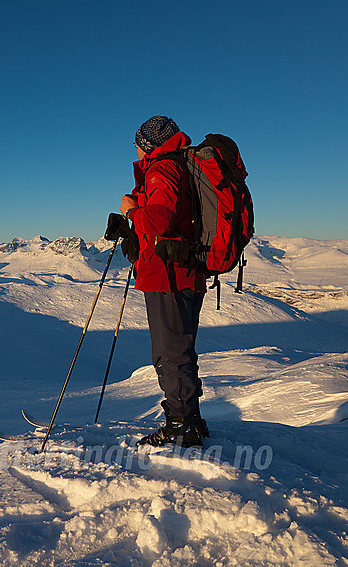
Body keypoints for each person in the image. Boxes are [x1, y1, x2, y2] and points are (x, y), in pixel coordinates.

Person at [118, 115, 210, 448]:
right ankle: (191, 421)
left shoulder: (163, 169)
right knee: (180, 350)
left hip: (168, 276)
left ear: (149, 145)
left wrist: (131, 211)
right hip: (182, 272)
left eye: (138, 144)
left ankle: (180, 427)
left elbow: (159, 218)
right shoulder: (179, 166)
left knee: (169, 354)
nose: (136, 150)